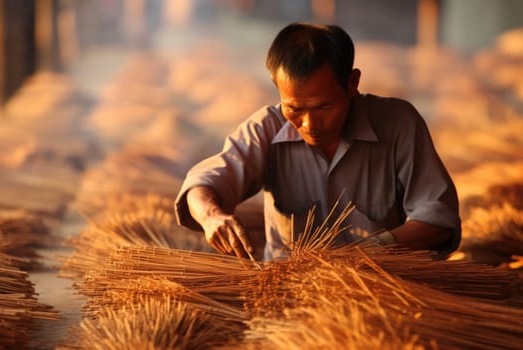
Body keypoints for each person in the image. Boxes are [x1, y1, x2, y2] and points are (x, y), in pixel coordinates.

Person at [174, 22, 461, 261]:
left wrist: (371, 250)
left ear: (352, 83)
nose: (309, 124)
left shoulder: (398, 124)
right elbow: (203, 184)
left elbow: (437, 220)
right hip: (288, 299)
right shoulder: (265, 128)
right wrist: (212, 216)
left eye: (323, 107)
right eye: (295, 109)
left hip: (384, 295)